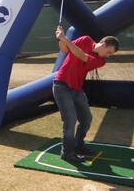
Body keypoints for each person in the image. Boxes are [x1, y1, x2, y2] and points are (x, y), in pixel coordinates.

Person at [51, 25, 119, 164]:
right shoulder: (85, 40)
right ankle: (67, 153)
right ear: (104, 44)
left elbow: (81, 55)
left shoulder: (101, 61)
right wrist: (60, 38)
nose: (108, 56)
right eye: (109, 52)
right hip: (61, 86)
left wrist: (65, 39)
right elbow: (65, 49)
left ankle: (78, 145)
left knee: (86, 119)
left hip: (76, 89)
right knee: (70, 120)